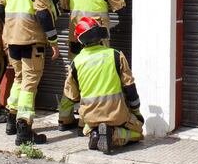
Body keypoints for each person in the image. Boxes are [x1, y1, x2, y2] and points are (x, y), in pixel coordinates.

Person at [0, 0, 60, 145]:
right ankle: (24, 130)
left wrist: (9, 31)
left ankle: (11, 121)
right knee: (30, 84)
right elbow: (42, 13)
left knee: (19, 78)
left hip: (11, 39)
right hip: (32, 40)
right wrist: (53, 41)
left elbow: (0, 9)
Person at [56, 0, 127, 131]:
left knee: (73, 76)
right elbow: (119, 7)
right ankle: (86, 121)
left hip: (75, 36)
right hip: (98, 37)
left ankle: (64, 117)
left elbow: (63, 5)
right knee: (96, 77)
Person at [59, 16, 143, 154]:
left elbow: (71, 96)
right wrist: (136, 112)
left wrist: (64, 120)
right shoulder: (116, 55)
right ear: (100, 35)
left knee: (89, 125)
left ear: (80, 40)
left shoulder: (76, 62)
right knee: (138, 133)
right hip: (117, 114)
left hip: (90, 117)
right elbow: (130, 88)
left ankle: (94, 133)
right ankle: (113, 134)